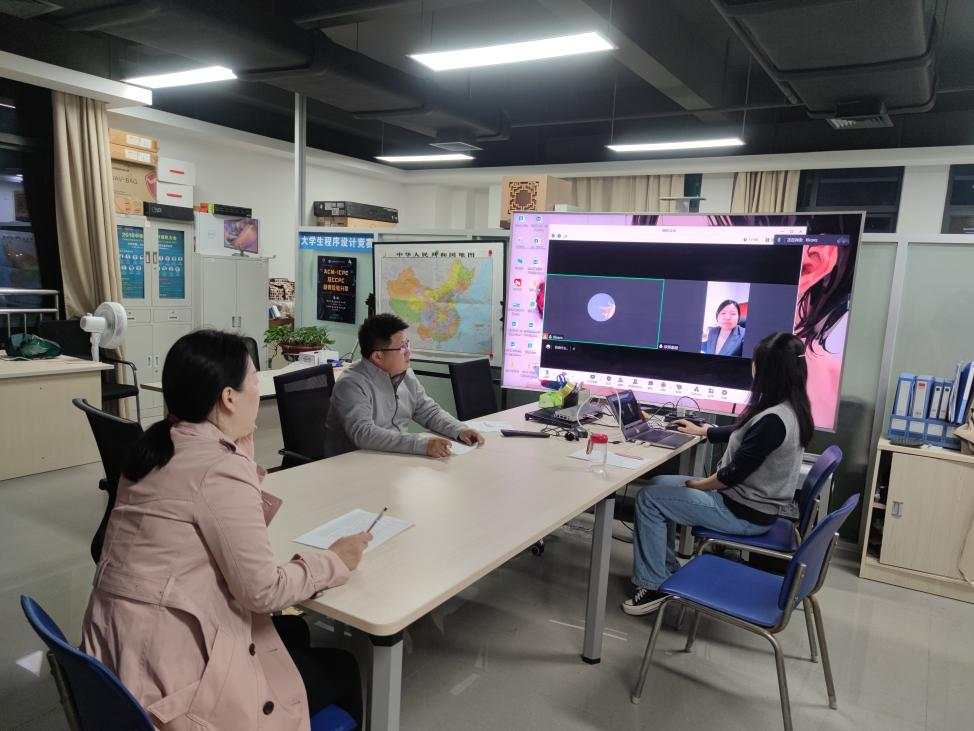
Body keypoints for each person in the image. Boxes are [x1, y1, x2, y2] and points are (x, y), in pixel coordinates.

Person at [81, 330, 371, 729]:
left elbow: (210, 531)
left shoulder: (156, 446)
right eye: (253, 381)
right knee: (342, 666)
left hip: (119, 650)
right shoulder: (218, 466)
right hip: (170, 675)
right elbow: (262, 591)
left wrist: (241, 460)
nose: (257, 390)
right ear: (228, 397)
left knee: (291, 632)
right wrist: (334, 561)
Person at [623, 332, 814, 615]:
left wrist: (697, 485)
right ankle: (667, 571)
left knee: (649, 498)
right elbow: (748, 434)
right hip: (750, 505)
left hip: (741, 512)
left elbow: (729, 477)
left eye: (756, 362)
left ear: (769, 371)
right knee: (659, 483)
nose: (752, 367)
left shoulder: (773, 419)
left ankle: (653, 586)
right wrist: (706, 432)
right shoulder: (789, 407)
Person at [325, 313, 485, 458]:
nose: (408, 352)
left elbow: (429, 412)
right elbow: (364, 434)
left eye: (407, 344)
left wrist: (460, 430)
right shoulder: (351, 384)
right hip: (353, 464)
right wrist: (421, 445)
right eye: (402, 347)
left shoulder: (405, 374)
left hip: (393, 458)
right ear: (378, 356)